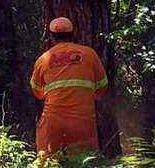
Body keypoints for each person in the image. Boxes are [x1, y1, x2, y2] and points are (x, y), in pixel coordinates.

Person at [30, 17, 108, 157]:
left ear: (51, 37)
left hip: (53, 122)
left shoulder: (43, 59)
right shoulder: (89, 54)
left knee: (49, 161)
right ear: (73, 34)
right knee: (85, 161)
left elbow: (37, 92)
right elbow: (102, 87)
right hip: (83, 122)